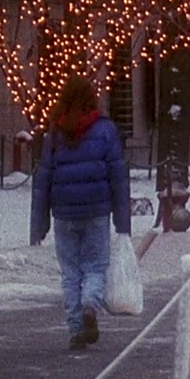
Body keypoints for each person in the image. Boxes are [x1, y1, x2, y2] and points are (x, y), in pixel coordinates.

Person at [30, 75, 132, 351]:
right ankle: (90, 306)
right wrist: (123, 222)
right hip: (97, 210)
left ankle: (76, 329)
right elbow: (118, 176)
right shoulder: (106, 131)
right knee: (96, 265)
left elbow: (44, 180)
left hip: (63, 213)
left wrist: (38, 223)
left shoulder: (56, 132)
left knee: (70, 272)